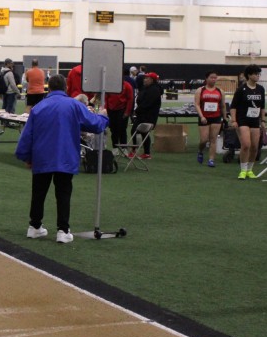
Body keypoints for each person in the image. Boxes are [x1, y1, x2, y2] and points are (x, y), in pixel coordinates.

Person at [16, 74, 109, 243]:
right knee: (63, 193)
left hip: (42, 156)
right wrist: (103, 116)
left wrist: (25, 155)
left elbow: (27, 135)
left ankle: (34, 227)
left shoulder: (38, 107)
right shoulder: (74, 105)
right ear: (65, 88)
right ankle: (63, 230)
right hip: (65, 155)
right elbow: (95, 125)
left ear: (49, 88)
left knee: (38, 193)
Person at [230, 64, 266, 180]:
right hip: (243, 120)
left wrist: (263, 120)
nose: (258, 76)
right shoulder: (241, 89)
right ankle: (243, 170)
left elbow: (262, 106)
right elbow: (233, 106)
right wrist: (234, 120)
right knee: (246, 145)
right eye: (256, 74)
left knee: (255, 147)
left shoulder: (261, 89)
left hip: (255, 121)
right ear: (249, 75)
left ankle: (250, 170)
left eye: (259, 74)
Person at [194, 71, 226, 168]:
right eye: (211, 77)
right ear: (206, 78)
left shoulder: (220, 91)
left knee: (213, 139)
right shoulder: (200, 90)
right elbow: (197, 104)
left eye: (215, 78)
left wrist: (225, 118)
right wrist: (201, 116)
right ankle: (200, 151)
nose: (213, 79)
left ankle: (211, 160)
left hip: (216, 117)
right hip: (204, 117)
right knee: (204, 140)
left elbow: (223, 105)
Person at [132, 72, 162, 159]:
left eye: (147, 78)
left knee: (136, 131)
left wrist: (137, 111)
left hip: (148, 116)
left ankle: (136, 151)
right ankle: (145, 152)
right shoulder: (146, 88)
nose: (144, 80)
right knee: (142, 133)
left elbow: (147, 103)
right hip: (142, 115)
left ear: (152, 80)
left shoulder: (154, 90)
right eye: (145, 78)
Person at [104, 72, 134, 148]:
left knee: (122, 130)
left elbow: (130, 99)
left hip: (122, 110)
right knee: (113, 130)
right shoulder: (110, 86)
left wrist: (127, 112)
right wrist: (106, 110)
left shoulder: (127, 85)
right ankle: (115, 148)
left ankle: (124, 148)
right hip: (111, 110)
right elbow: (106, 98)